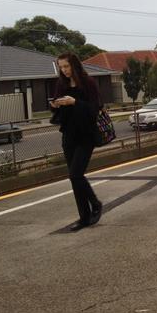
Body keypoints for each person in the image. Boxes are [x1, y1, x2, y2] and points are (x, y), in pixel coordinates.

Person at [50, 52, 103, 231]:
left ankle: (95, 204)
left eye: (66, 66)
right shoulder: (61, 84)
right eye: (61, 67)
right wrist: (55, 105)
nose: (64, 70)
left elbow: (94, 109)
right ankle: (85, 217)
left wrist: (75, 102)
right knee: (75, 178)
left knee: (75, 174)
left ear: (74, 65)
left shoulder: (88, 83)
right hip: (69, 135)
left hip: (86, 135)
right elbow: (56, 111)